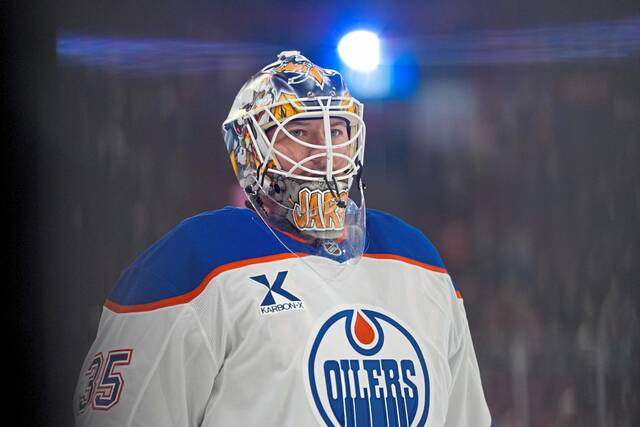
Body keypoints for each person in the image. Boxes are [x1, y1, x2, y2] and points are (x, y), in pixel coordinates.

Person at [73, 51, 492, 427]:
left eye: (337, 132)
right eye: (300, 133)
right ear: (251, 149)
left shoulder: (416, 258)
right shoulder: (193, 260)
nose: (326, 152)